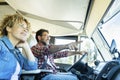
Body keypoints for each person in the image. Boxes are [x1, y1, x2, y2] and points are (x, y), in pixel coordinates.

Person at [0, 14, 37, 80]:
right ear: (9, 28)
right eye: (21, 26)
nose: (25, 30)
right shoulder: (1, 45)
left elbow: (32, 67)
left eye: (26, 28)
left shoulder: (16, 52)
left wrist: (26, 47)